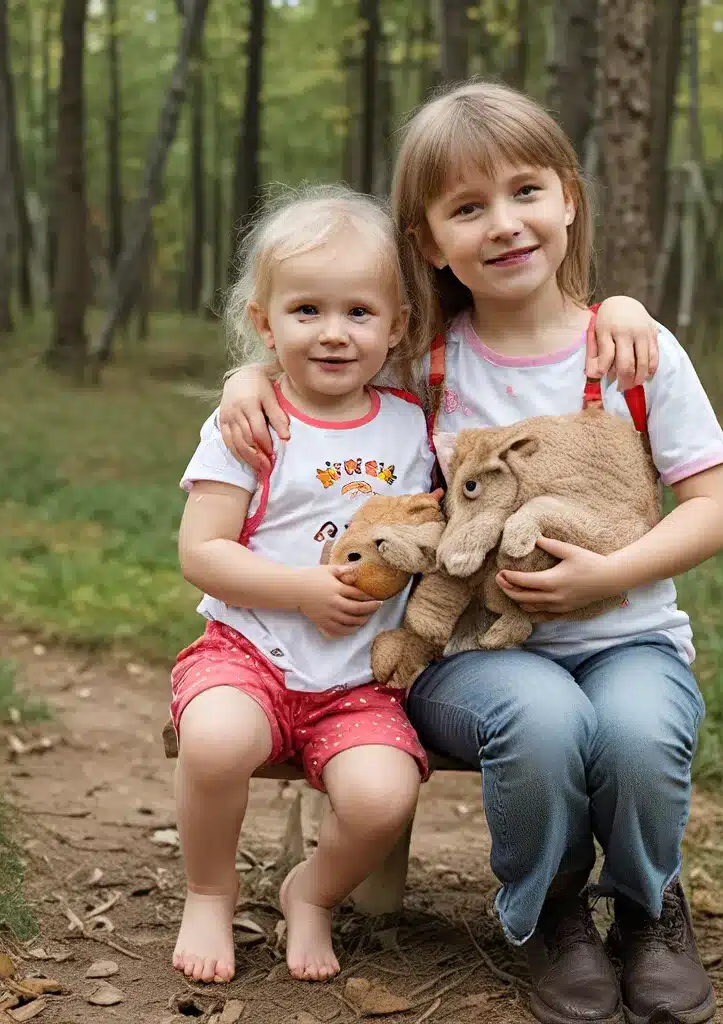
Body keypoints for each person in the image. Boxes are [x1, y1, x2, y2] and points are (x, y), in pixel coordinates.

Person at [219, 83, 723, 1024]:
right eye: (468, 208)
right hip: (470, 658)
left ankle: (647, 907)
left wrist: (611, 574)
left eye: (525, 192)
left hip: (631, 636)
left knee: (633, 731)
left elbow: (716, 507)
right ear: (428, 242)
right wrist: (246, 376)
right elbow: (318, 349)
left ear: (569, 198)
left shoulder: (632, 349)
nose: (504, 225)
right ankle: (548, 914)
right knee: (544, 724)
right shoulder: (424, 359)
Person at [170, 186, 437, 986]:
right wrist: (297, 591)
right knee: (215, 740)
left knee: (382, 797)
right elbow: (202, 550)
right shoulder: (250, 424)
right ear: (264, 323)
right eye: (306, 311)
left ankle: (311, 894)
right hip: (249, 652)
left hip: (359, 682)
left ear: (396, 327)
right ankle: (209, 890)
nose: (333, 332)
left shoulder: (413, 424)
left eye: (359, 312)